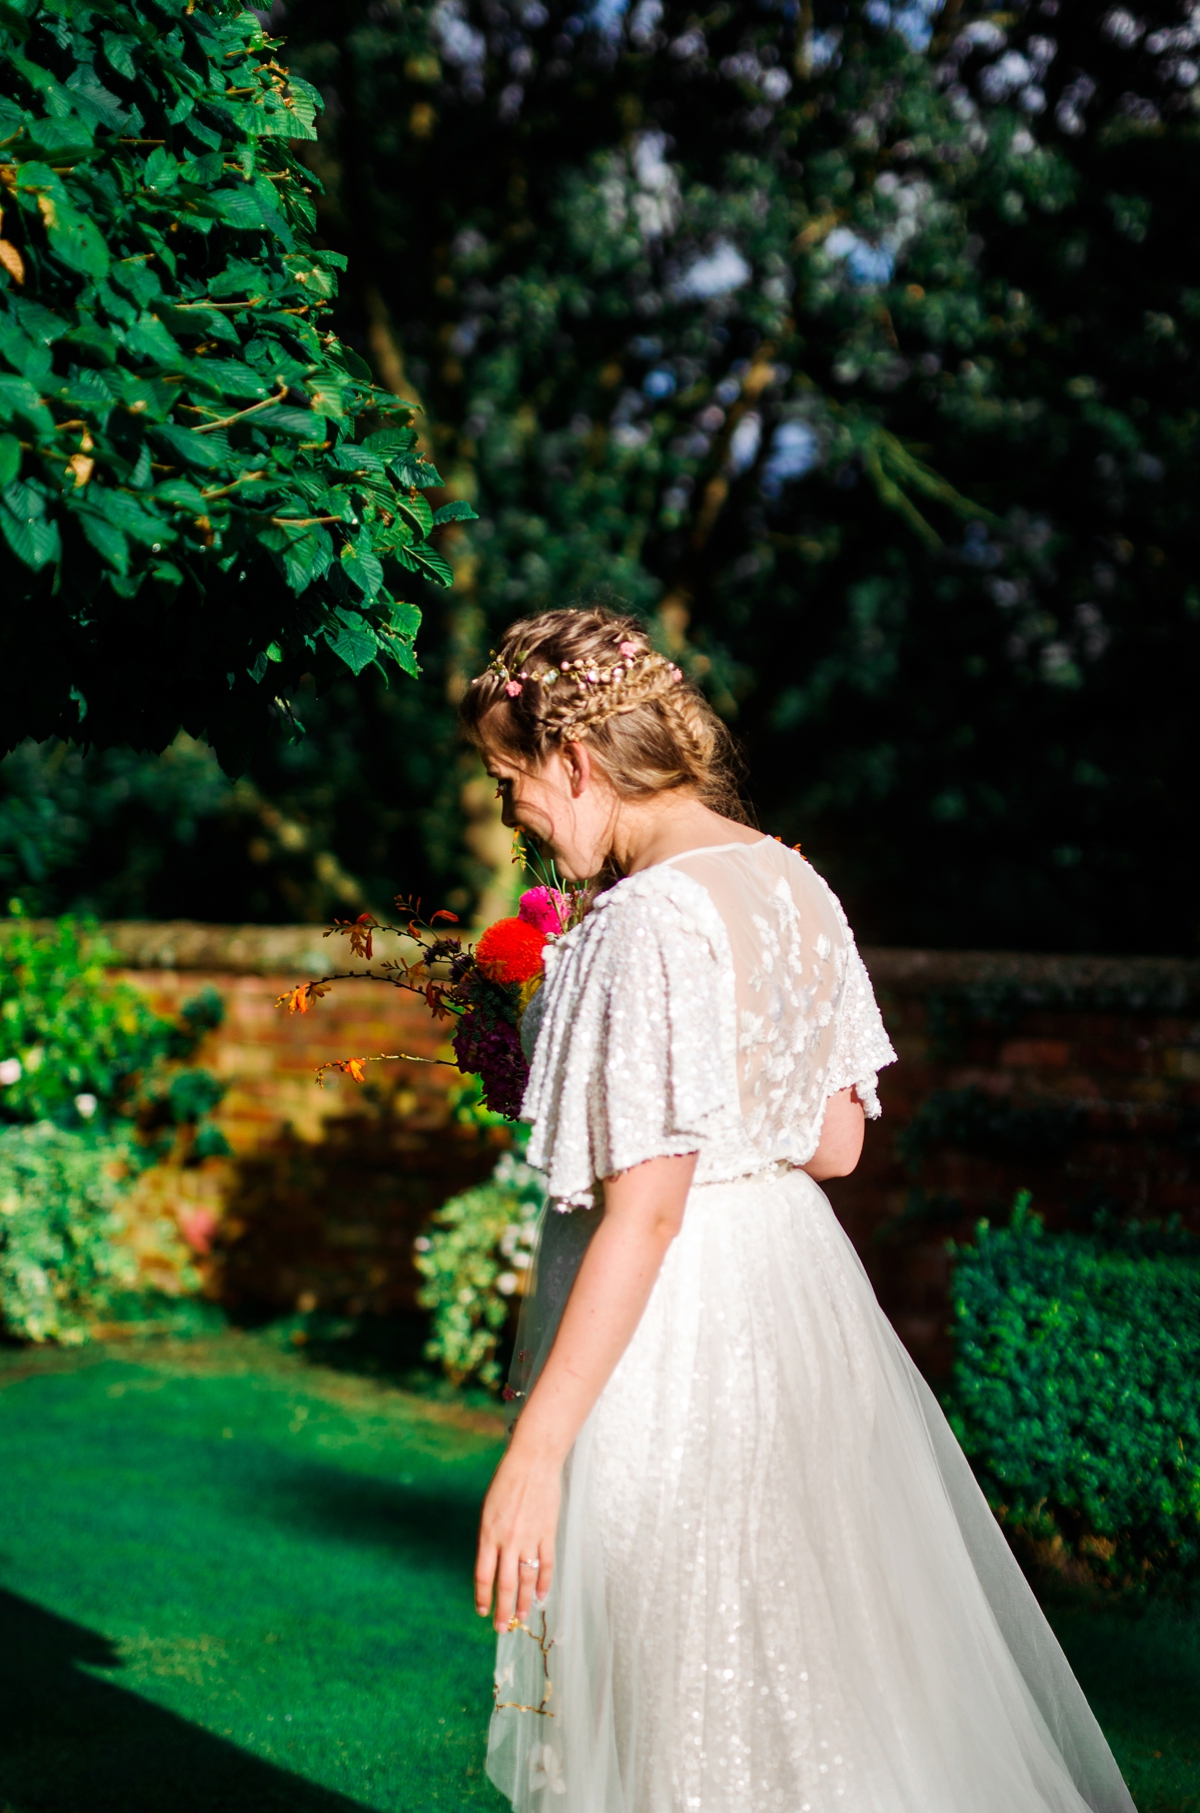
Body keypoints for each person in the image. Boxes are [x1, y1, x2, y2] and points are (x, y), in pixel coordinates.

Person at [460, 606, 1135, 1813]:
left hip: (675, 1338)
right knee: (818, 1668)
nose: (512, 809)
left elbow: (647, 1212)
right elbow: (835, 1142)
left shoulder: (646, 919)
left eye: (511, 779)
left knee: (685, 1683)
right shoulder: (792, 881)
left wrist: (538, 1449)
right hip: (799, 1306)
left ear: (574, 762)